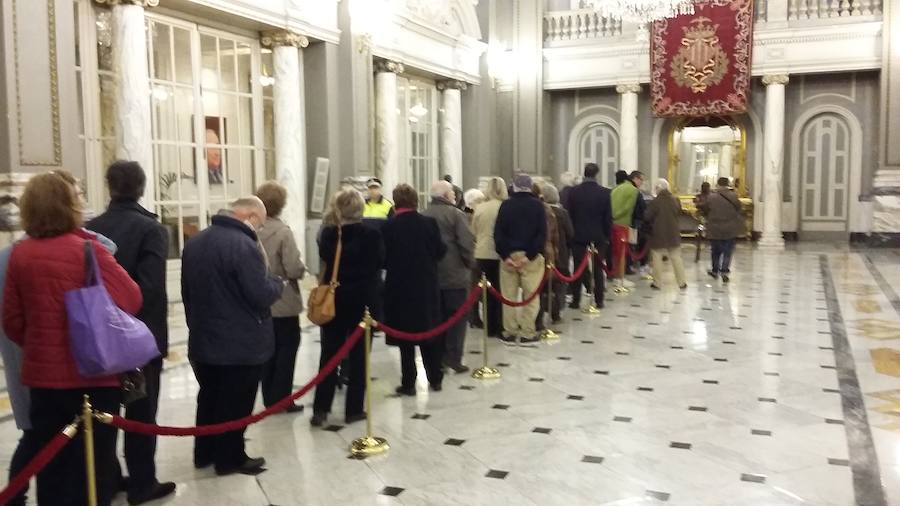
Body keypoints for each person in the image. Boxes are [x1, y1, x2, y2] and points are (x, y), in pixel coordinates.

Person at [3, 172, 142, 506]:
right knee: (93, 467)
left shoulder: (20, 255)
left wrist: (40, 344)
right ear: (70, 205)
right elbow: (131, 297)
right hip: (95, 376)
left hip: (43, 382)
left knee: (51, 464)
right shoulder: (88, 249)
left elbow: (11, 321)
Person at [85, 161, 176, 505]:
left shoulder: (92, 228)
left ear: (110, 186)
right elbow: (150, 290)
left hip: (99, 334)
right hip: (140, 339)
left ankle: (108, 481)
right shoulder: (151, 229)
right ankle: (142, 483)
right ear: (142, 187)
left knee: (105, 413)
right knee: (142, 413)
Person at [182, 196, 284, 476]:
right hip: (240, 342)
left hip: (205, 338)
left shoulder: (195, 242)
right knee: (236, 403)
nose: (259, 230)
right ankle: (230, 458)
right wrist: (277, 283)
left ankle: (204, 453)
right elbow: (260, 294)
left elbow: (187, 294)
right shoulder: (243, 245)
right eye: (260, 224)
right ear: (250, 216)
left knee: (209, 398)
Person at [311, 189, 384, 426]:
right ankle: (353, 409)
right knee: (360, 357)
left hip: (336, 298)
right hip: (363, 301)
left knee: (329, 355)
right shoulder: (372, 235)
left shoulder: (329, 234)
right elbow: (381, 262)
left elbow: (325, 260)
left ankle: (320, 409)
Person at [382, 184, 447, 395]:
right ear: (415, 200)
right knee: (429, 333)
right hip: (425, 285)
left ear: (395, 201)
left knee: (405, 339)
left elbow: (383, 259)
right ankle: (435, 378)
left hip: (399, 287)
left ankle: (409, 383)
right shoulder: (429, 224)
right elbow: (440, 251)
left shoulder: (388, 227)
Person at [255, 181, 307, 413]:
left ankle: (269, 398)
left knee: (268, 350)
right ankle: (282, 398)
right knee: (287, 350)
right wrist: (301, 269)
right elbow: (294, 268)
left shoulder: (252, 230)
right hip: (283, 300)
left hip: (260, 299)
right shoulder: (283, 232)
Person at [423, 180, 476, 373]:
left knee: (437, 320)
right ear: (446, 196)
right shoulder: (456, 214)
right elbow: (466, 243)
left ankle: (437, 359)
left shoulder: (423, 214)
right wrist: (470, 264)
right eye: (453, 193)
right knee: (457, 319)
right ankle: (453, 358)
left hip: (431, 276)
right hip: (454, 276)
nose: (455, 196)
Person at [494, 173, 547, 345]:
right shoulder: (538, 206)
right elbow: (541, 235)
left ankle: (509, 332)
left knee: (508, 297)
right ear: (530, 187)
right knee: (531, 297)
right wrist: (529, 256)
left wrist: (505, 256)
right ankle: (527, 332)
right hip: (530, 258)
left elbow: (498, 233)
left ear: (514, 186)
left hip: (509, 256)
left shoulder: (506, 205)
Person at [566, 163, 613, 310]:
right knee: (598, 269)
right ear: (596, 174)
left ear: (584, 173)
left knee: (578, 269)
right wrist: (606, 235)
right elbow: (608, 217)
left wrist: (571, 234)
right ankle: (599, 300)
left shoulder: (573, 192)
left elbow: (569, 215)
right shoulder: (605, 192)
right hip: (598, 235)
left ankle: (576, 300)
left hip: (578, 235)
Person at [472, 177, 507, 338]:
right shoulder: (504, 207)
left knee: (486, 291)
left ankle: (489, 325)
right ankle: (499, 325)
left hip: (481, 252)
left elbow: (474, 230)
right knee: (499, 291)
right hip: (499, 253)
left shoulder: (480, 207)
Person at [699, 177, 744, 283]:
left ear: (717, 184)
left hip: (715, 228)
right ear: (728, 184)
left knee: (715, 251)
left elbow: (705, 209)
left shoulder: (711, 197)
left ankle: (715, 271)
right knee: (728, 251)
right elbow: (739, 208)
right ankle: (724, 271)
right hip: (730, 228)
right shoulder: (733, 196)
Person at [644, 179, 687, 290]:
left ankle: (657, 283)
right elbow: (679, 213)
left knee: (657, 257)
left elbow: (647, 217)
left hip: (658, 233)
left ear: (658, 188)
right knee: (676, 258)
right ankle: (682, 282)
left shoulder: (655, 202)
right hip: (673, 232)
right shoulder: (675, 200)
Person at [542, 184, 574, 324]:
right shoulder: (563, 213)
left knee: (543, 285)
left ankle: (543, 309)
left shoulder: (540, 211)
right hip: (561, 254)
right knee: (559, 284)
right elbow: (570, 233)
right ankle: (556, 313)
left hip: (544, 254)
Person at [533, 183, 558, 333]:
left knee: (532, 290)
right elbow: (554, 235)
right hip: (545, 251)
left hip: (531, 250)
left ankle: (532, 319)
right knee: (542, 289)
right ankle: (538, 321)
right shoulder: (546, 209)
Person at [610, 169, 641, 290]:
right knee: (622, 253)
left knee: (615, 252)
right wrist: (616, 215)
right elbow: (628, 208)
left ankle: (616, 276)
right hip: (622, 223)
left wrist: (612, 217)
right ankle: (620, 279)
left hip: (612, 223)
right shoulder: (633, 190)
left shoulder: (616, 189)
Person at [463, 188, 486, 329]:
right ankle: (473, 317)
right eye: (480, 201)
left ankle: (474, 316)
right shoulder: (468, 214)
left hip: (476, 253)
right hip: (473, 254)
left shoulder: (468, 213)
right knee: (472, 287)